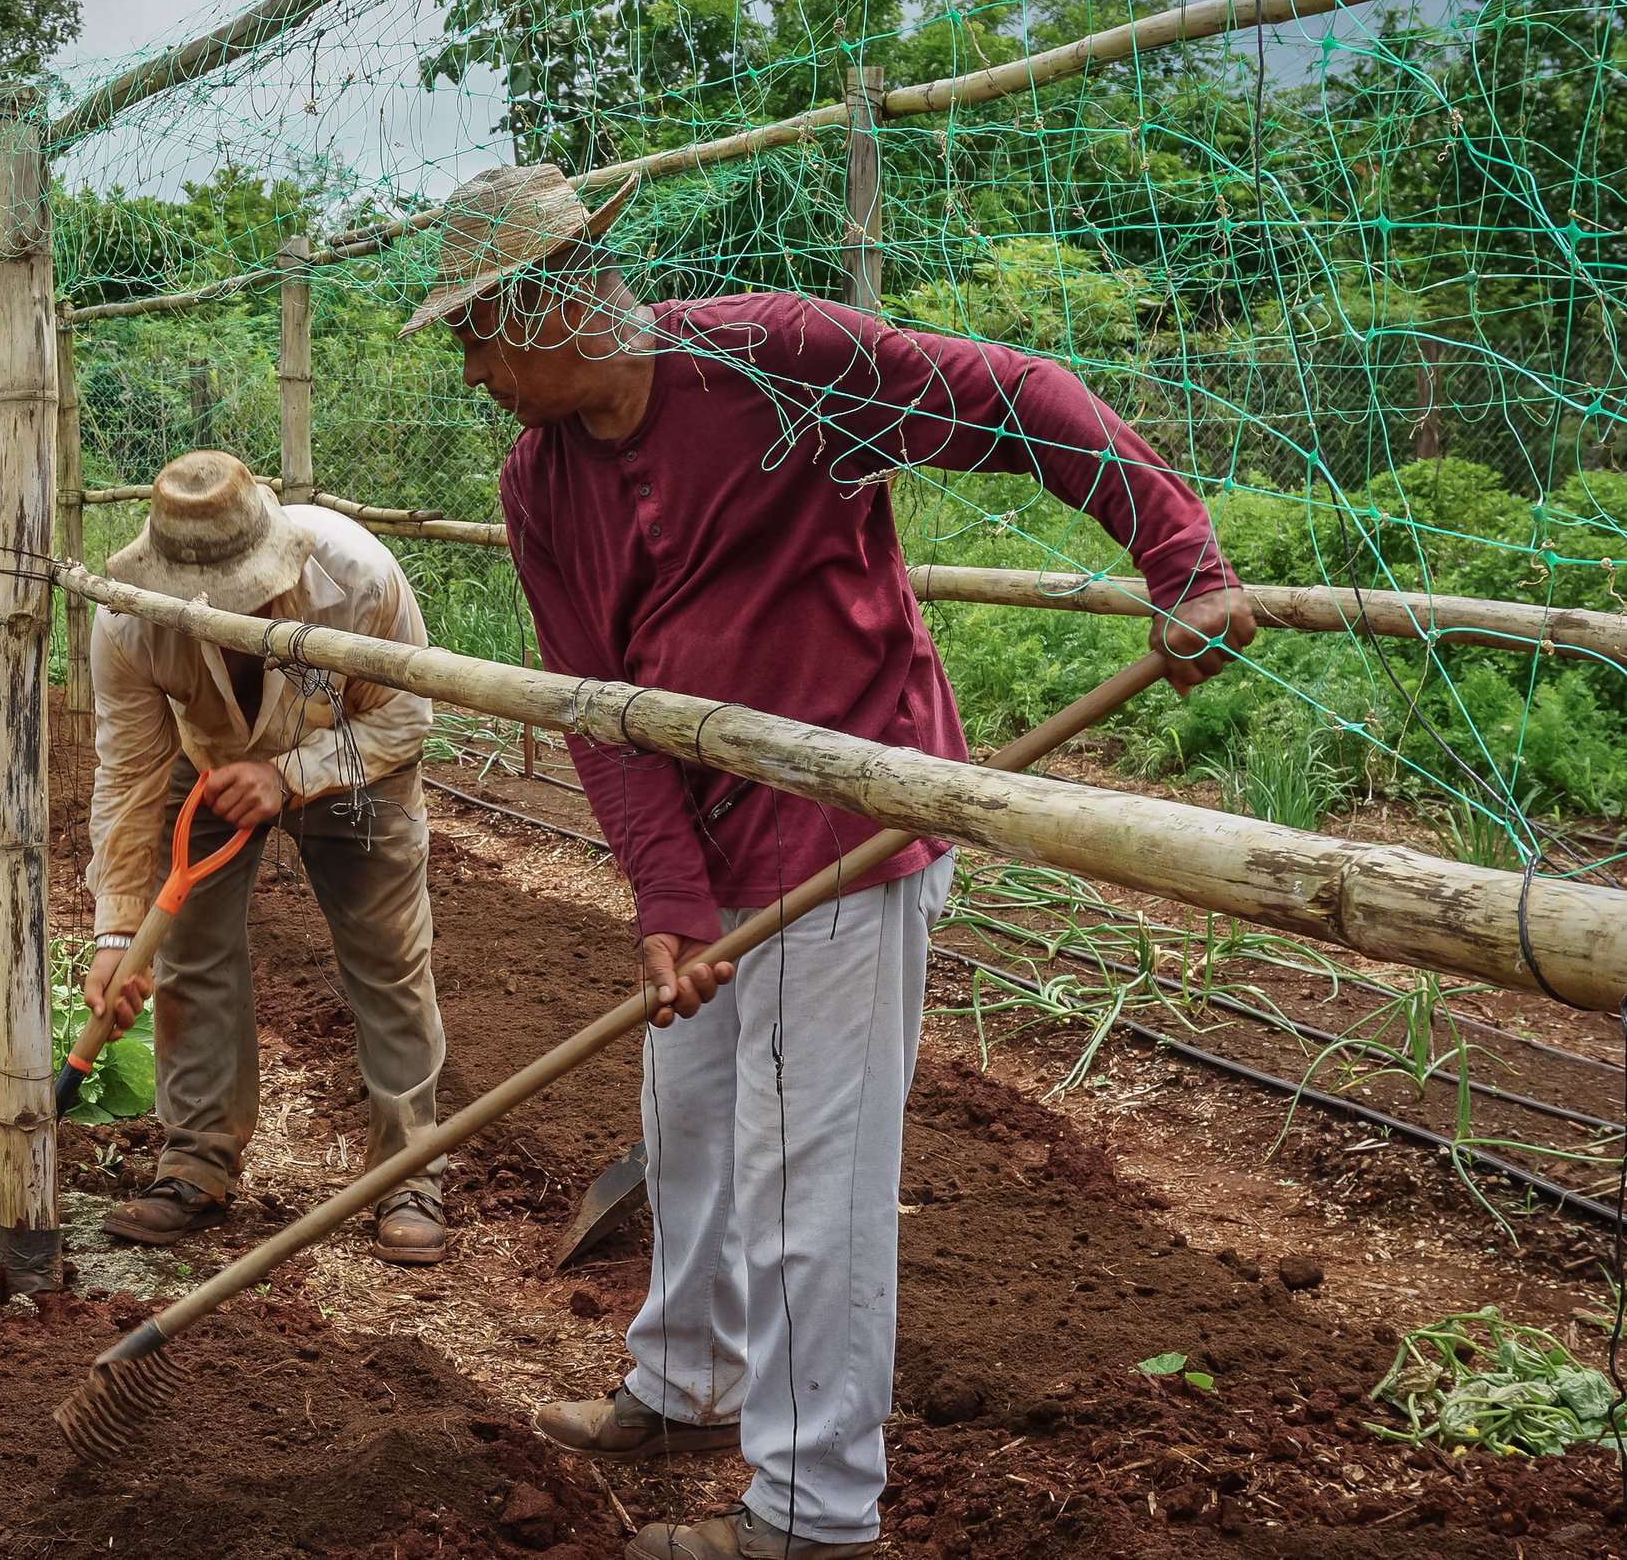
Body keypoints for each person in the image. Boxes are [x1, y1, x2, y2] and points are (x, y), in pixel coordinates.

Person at [401, 164, 1255, 1559]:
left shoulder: (774, 360)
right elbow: (598, 708)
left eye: (476, 334)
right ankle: (686, 1383)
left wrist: (1182, 557)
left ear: (551, 309)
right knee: (687, 1131)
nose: (475, 370)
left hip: (850, 829)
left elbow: (1018, 396)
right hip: (714, 843)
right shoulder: (538, 482)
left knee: (814, 1187)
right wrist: (669, 901)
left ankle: (811, 1513)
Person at [81, 449, 452, 1264]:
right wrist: (115, 935)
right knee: (189, 951)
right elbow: (130, 778)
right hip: (207, 758)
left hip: (354, 756)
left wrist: (289, 776)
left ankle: (409, 1169)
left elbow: (407, 717)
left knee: (387, 956)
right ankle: (196, 1162)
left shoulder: (358, 578)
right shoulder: (131, 620)